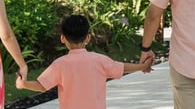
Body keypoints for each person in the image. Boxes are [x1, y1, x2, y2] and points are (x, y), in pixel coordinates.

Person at [16, 14, 152, 109]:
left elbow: (41, 85)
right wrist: (143, 66)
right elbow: (122, 67)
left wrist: (23, 84)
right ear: (88, 37)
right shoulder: (99, 60)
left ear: (63, 38)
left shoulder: (60, 64)